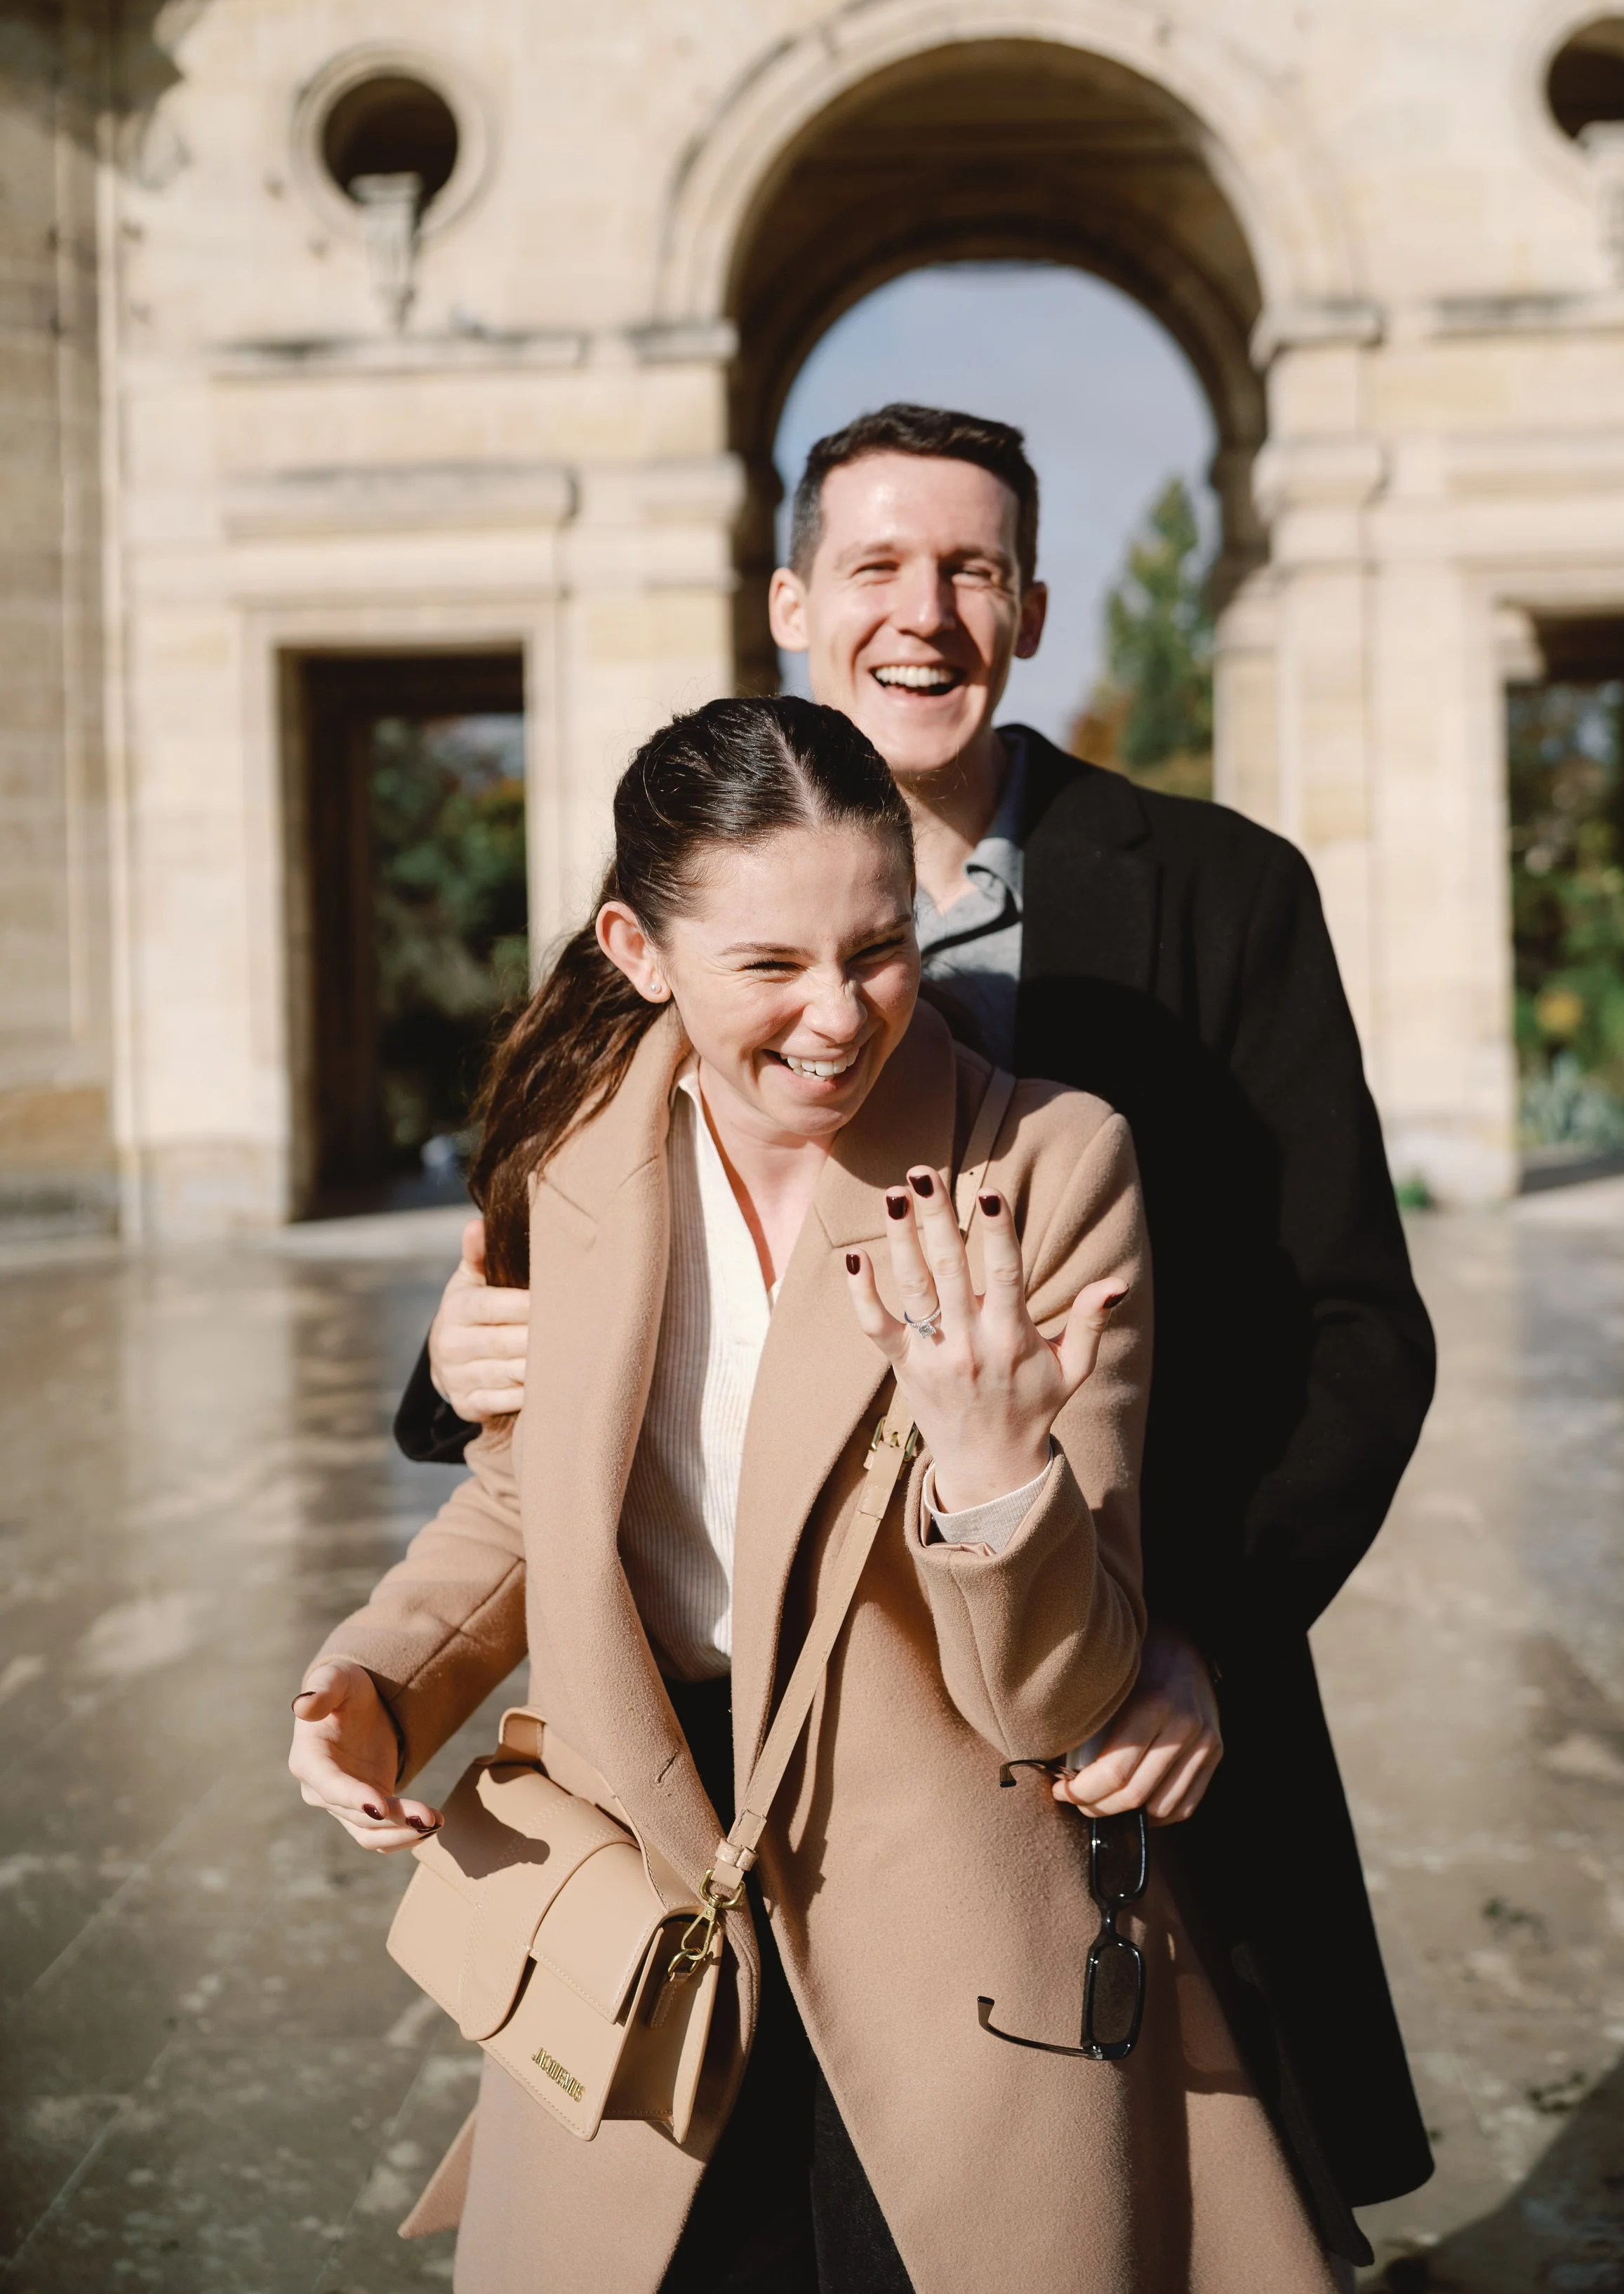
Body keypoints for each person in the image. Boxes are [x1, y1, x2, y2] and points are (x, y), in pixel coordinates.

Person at [394, 404, 1438, 2266]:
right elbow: (558, 1234)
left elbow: (1352, 1318)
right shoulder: (689, 887)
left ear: (1031, 604)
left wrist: (1196, 1623)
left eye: (968, 567)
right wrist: (452, 1346)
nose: (924, 611)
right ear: (792, 598)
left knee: (1124, 2180)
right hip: (758, 1745)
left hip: (1107, 1666)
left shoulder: (1219, 890)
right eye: (876, 563)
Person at [291, 696, 1344, 2294]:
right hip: (640, 1884)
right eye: (769, 968)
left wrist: (996, 1468)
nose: (839, 1018)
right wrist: (373, 1677)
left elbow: (1062, 1694)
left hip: (953, 1911)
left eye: (876, 950)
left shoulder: (1051, 1167)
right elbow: (525, 1506)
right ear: (637, 950)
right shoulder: (561, 1154)